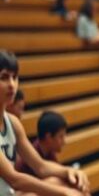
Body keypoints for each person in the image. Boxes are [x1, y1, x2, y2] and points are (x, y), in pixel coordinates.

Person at [0, 50, 90, 195]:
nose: (12, 84)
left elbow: (40, 167)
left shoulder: (13, 123)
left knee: (72, 182)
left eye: (15, 77)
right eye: (4, 77)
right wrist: (63, 193)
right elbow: (14, 179)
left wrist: (68, 171)